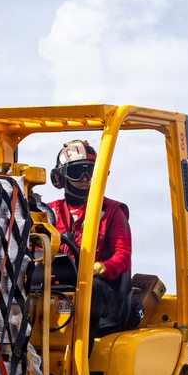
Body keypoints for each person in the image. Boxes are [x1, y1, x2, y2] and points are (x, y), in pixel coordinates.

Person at [48, 139, 133, 335]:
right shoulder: (49, 212)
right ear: (61, 178)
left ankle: (81, 358)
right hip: (57, 284)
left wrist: (103, 267)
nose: (86, 178)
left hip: (102, 290)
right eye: (78, 172)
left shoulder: (112, 211)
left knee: (89, 290)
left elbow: (123, 255)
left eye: (91, 171)